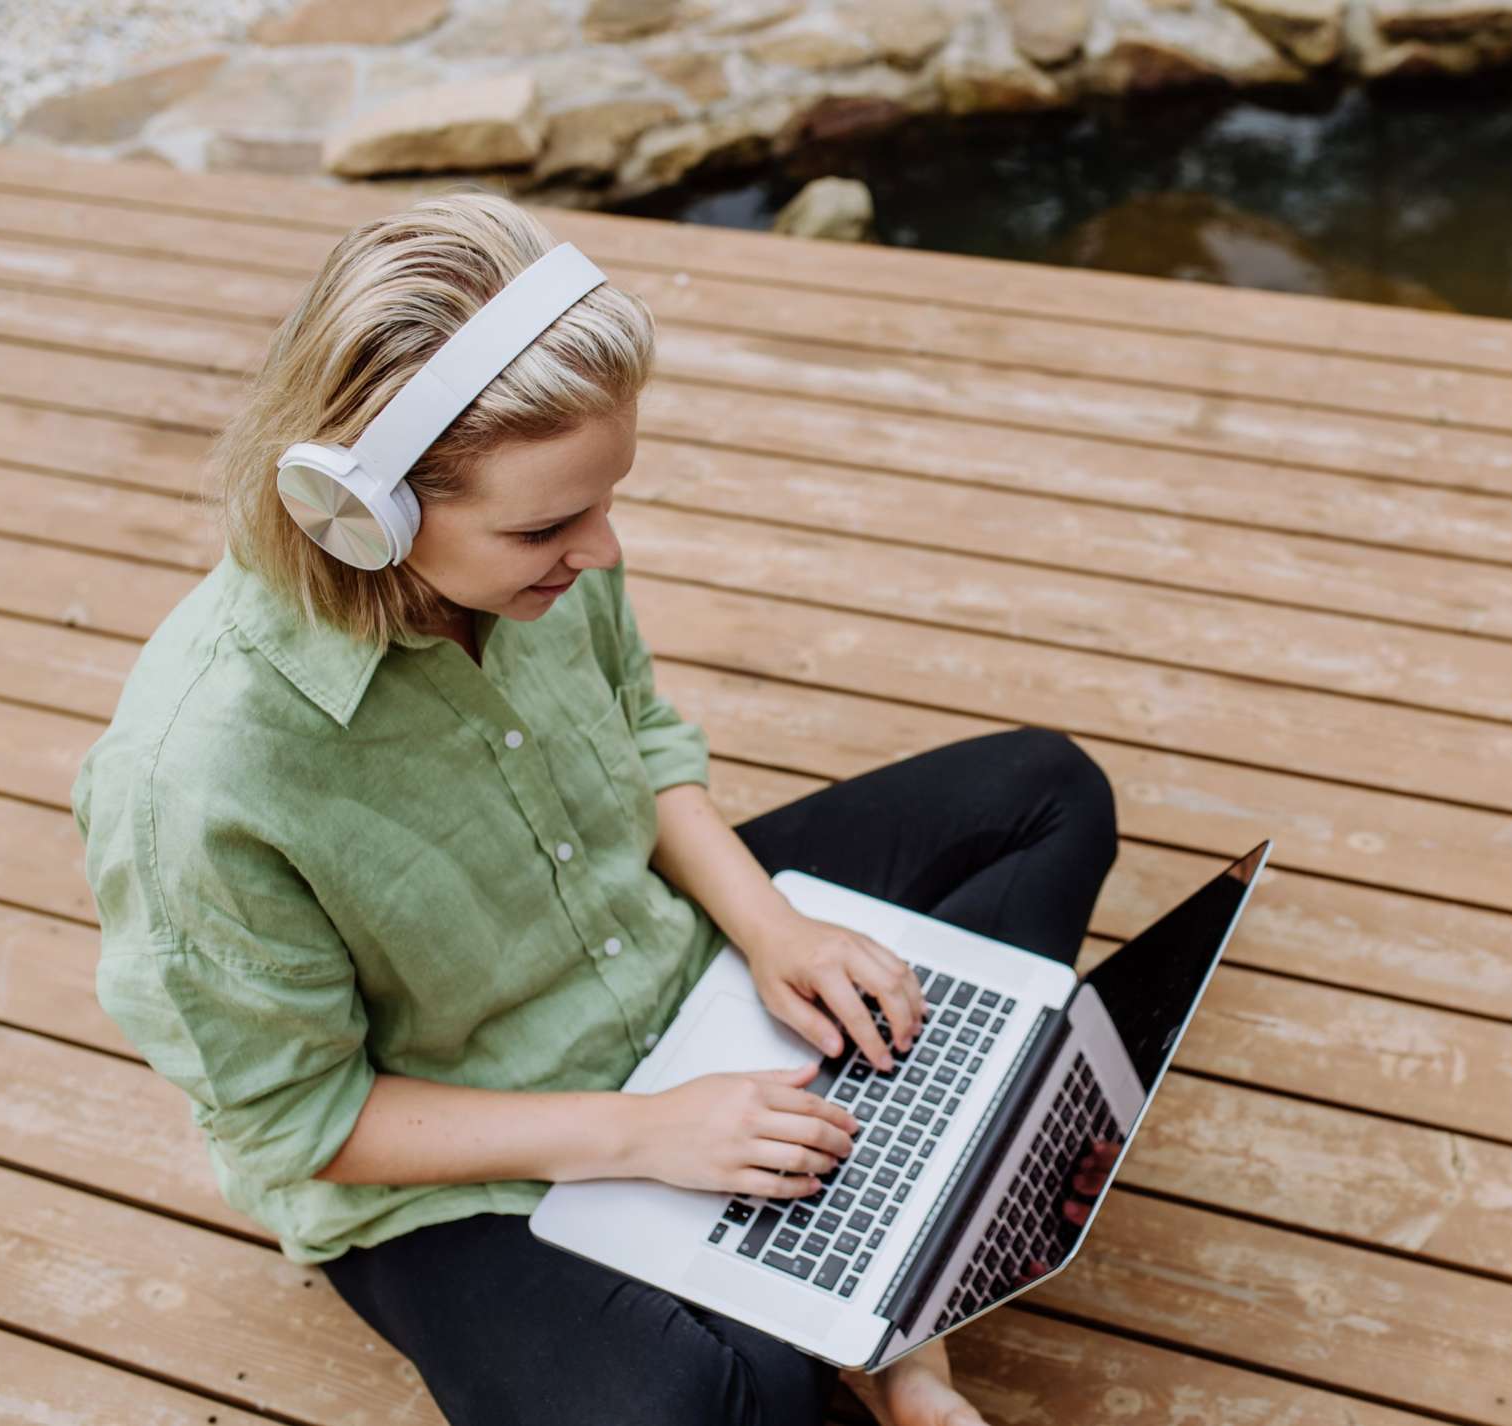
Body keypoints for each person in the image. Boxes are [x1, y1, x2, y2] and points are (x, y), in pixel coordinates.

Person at [69, 188, 1119, 1426]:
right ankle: (880, 1228)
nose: (603, 551)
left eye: (606, 499)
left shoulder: (540, 569)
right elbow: (305, 1118)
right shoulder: (196, 784)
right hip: (461, 1165)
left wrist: (767, 928)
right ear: (364, 517)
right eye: (549, 525)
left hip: (665, 964)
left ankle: (881, 1291)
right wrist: (641, 1134)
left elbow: (639, 740)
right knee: (704, 1401)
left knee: (1044, 793)